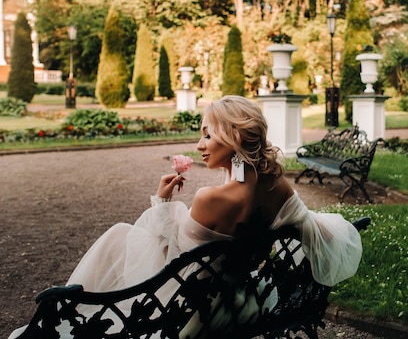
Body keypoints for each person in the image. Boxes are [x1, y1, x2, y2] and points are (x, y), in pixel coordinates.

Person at [9, 95, 362, 339]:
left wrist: (161, 204)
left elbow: (172, 259)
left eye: (207, 134)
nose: (199, 145)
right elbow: (306, 223)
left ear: (234, 136)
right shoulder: (276, 185)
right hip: (247, 303)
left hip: (190, 314)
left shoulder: (211, 198)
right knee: (121, 236)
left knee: (119, 235)